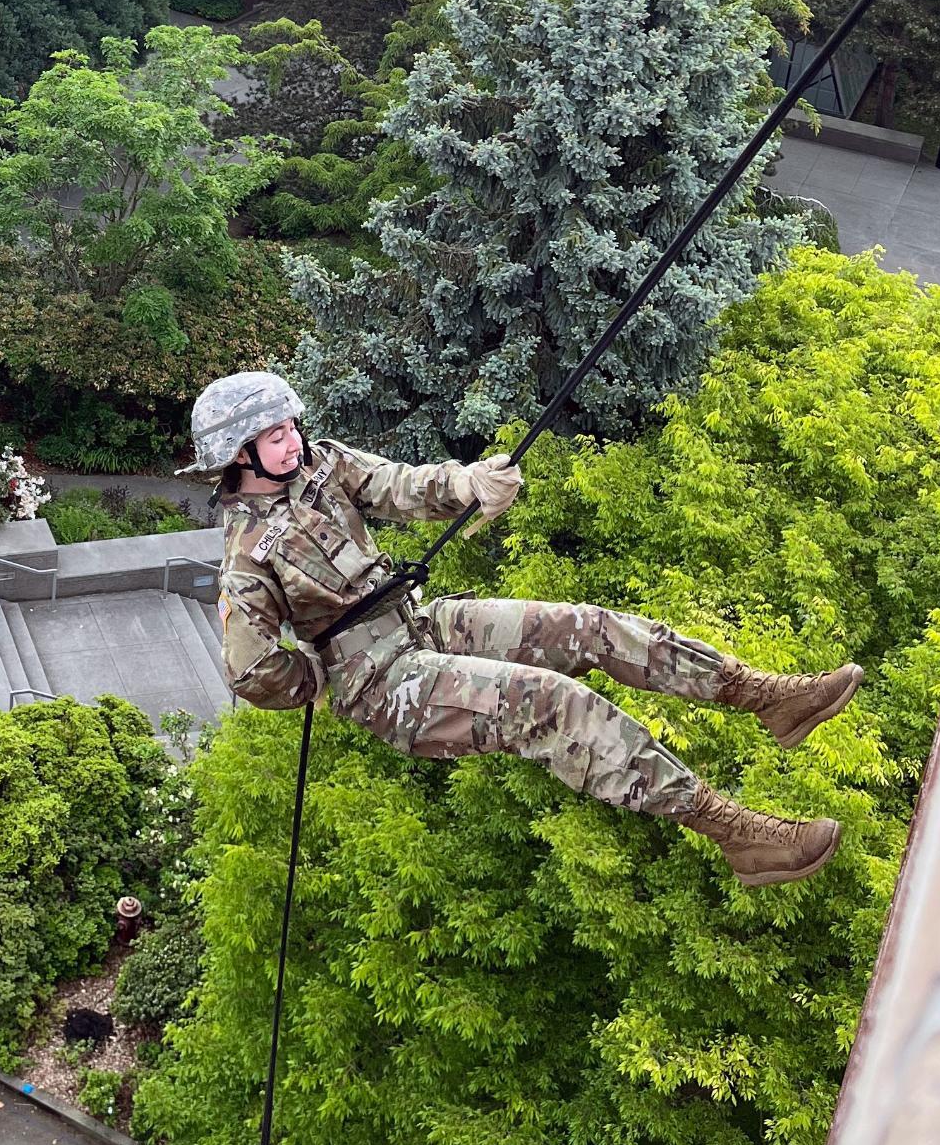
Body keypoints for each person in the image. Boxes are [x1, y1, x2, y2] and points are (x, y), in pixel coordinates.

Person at [180, 371, 863, 888]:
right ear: (239, 456)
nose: (293, 440)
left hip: (418, 624)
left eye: (292, 427)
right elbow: (249, 671)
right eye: (276, 436)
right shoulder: (248, 558)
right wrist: (316, 680)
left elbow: (397, 486)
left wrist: (468, 485)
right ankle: (737, 832)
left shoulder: (323, 465)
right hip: (382, 683)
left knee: (587, 629)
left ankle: (766, 697)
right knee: (552, 703)